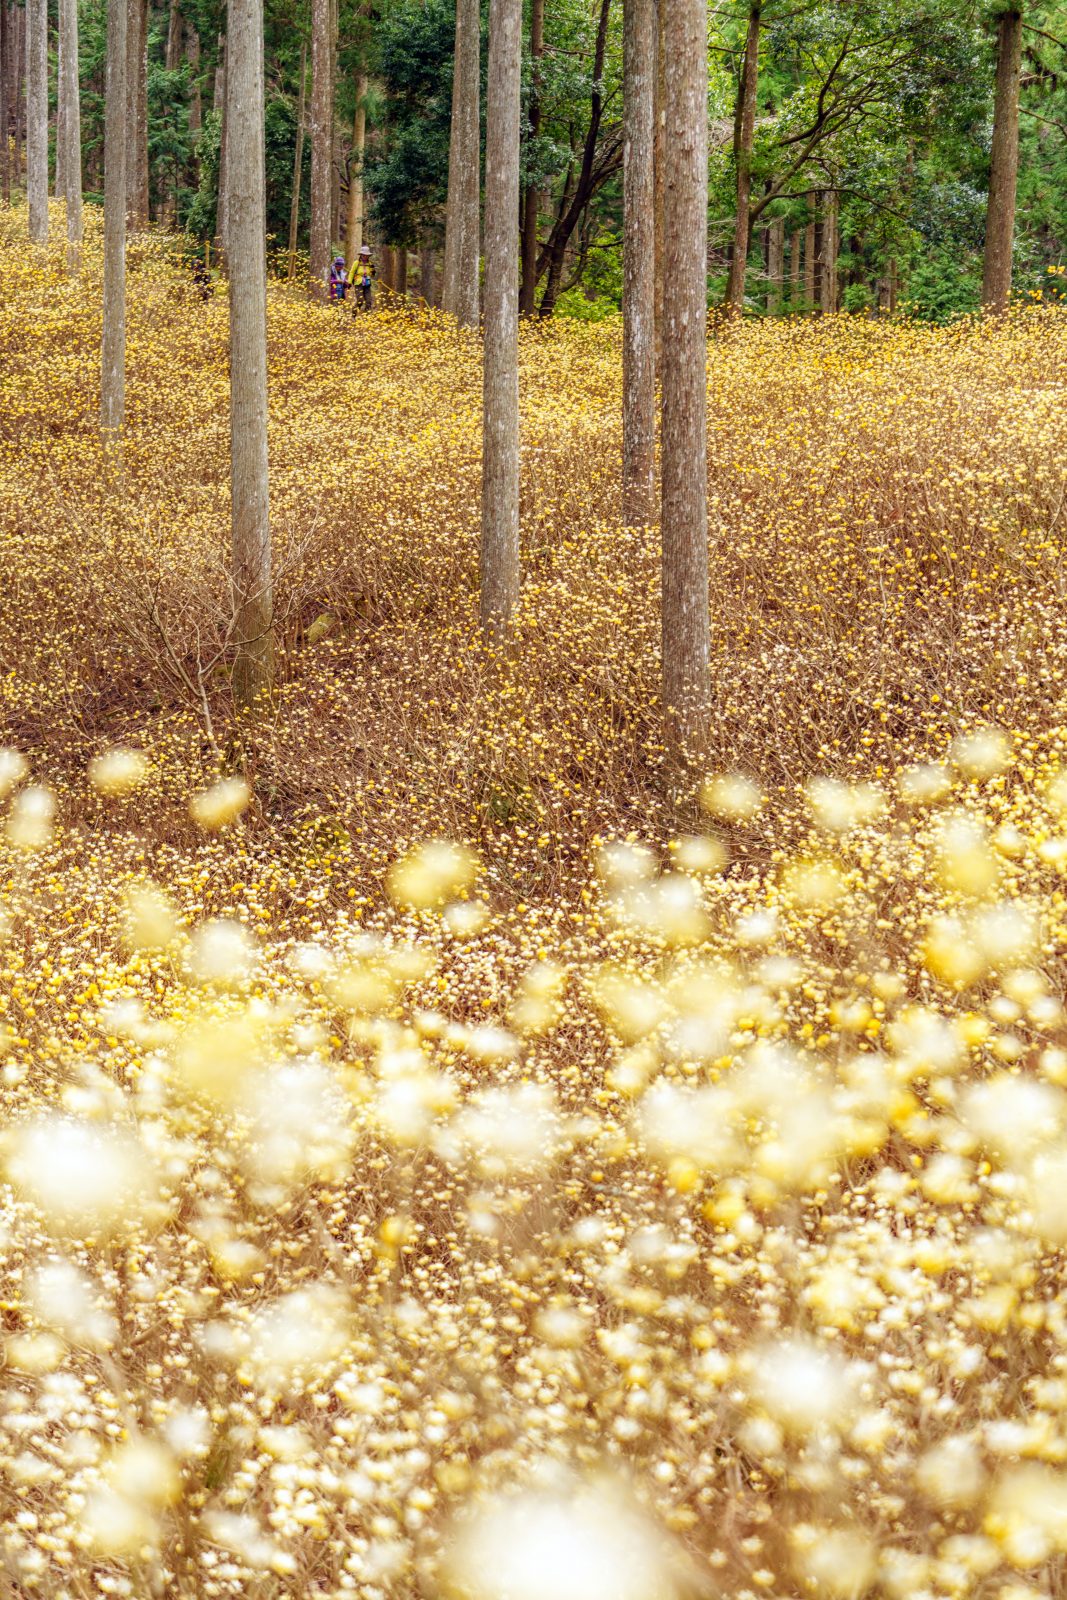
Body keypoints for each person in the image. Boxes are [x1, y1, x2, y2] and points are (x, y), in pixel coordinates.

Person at [353, 244, 375, 312]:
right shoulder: (356, 263)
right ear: (361, 255)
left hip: (367, 283)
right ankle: (354, 314)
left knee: (369, 301)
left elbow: (372, 275)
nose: (365, 256)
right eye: (364, 255)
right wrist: (349, 282)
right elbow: (352, 272)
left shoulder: (370, 263)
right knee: (360, 300)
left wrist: (373, 271)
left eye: (367, 255)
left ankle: (366, 317)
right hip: (358, 283)